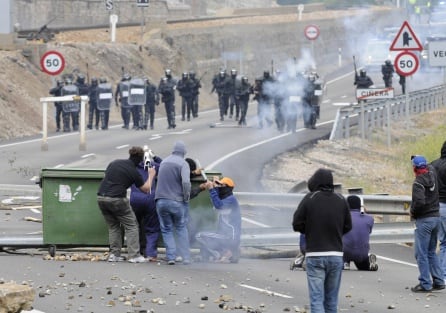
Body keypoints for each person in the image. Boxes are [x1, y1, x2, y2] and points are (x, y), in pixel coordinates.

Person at [292, 168, 352, 313]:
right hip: (336, 255)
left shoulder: (309, 198)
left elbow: (296, 223)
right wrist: (336, 232)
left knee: (317, 300)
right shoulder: (341, 200)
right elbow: (348, 226)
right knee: (331, 301)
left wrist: (309, 231)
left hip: (315, 254)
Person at [97, 146, 156, 263]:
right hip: (117, 198)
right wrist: (151, 175)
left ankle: (114, 255)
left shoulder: (114, 163)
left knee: (113, 226)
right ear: (140, 159)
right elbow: (146, 189)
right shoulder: (133, 171)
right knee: (132, 225)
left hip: (101, 197)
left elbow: (107, 176)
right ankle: (134, 255)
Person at [409, 155, 445, 292]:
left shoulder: (418, 183)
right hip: (436, 217)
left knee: (421, 253)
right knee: (431, 251)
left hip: (424, 220)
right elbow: (429, 165)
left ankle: (425, 283)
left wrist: (412, 212)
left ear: (414, 168)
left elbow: (419, 202)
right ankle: (439, 280)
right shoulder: (432, 174)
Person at [155, 141, 191, 265]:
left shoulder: (164, 162)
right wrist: (186, 197)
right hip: (176, 201)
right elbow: (186, 182)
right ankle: (185, 256)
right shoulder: (183, 163)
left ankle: (171, 257)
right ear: (184, 152)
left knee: (166, 229)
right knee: (181, 228)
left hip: (160, 201)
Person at [195, 176, 241, 263]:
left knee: (199, 236)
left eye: (221, 185)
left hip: (229, 236)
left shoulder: (231, 199)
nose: (219, 187)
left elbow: (218, 205)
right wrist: (215, 185)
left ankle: (221, 253)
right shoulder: (227, 198)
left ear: (227, 187)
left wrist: (212, 189)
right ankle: (229, 251)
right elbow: (217, 202)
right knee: (209, 235)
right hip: (229, 236)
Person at [130, 150, 162, 261]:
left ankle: (135, 252)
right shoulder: (153, 166)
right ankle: (151, 253)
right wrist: (155, 157)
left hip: (135, 199)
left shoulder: (133, 167)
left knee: (134, 227)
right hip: (150, 199)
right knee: (152, 228)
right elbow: (165, 166)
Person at [342, 195, 378, 271]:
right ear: (360, 206)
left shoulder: (342, 217)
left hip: (345, 252)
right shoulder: (369, 219)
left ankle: (345, 263)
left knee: (338, 256)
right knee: (362, 265)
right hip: (362, 253)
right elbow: (369, 232)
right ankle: (368, 262)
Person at [430, 141, 446, 282]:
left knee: (437, 241)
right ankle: (442, 274)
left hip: (435, 207)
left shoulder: (433, 165)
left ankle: (437, 274)